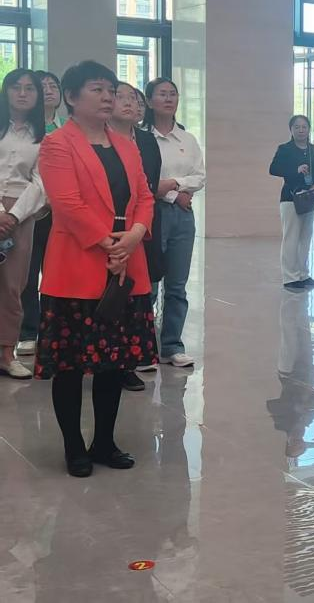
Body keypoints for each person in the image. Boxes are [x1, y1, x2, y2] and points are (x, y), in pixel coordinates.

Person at [35, 61, 158, 477]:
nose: (108, 97)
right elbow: (67, 204)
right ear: (71, 97)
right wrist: (110, 243)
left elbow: (144, 196)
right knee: (70, 365)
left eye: (111, 90)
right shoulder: (57, 144)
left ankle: (104, 440)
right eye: (97, 89)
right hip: (78, 264)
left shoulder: (126, 144)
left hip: (126, 260)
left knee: (113, 361)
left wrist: (134, 236)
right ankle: (74, 446)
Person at [141, 77, 204, 369]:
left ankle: (172, 345)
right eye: (162, 94)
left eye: (173, 94)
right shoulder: (142, 138)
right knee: (149, 285)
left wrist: (174, 185)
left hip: (182, 217)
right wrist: (174, 195)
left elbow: (199, 176)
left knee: (177, 285)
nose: (168, 99)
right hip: (151, 213)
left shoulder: (187, 139)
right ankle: (144, 347)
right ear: (149, 100)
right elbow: (144, 181)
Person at [111, 82, 165, 391]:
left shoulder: (146, 140)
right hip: (107, 229)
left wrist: (138, 228)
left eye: (133, 97)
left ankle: (128, 363)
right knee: (108, 298)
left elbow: (149, 187)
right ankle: (105, 360)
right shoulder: (98, 140)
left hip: (140, 227)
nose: (129, 102)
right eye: (120, 96)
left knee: (135, 297)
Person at [0, 69, 47, 380]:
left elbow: (41, 183)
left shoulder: (43, 137)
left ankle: (6, 353)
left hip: (22, 214)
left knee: (12, 286)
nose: (22, 93)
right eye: (16, 87)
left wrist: (13, 216)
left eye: (30, 88)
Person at [16, 71, 63, 360]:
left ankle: (54, 329)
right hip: (32, 210)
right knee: (28, 273)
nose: (48, 90)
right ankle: (28, 331)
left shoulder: (68, 127)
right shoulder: (27, 130)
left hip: (62, 212)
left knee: (57, 273)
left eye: (53, 85)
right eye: (41, 86)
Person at [270, 114, 314, 291]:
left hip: (309, 197)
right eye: (297, 127)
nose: (301, 130)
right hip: (291, 198)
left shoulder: (313, 150)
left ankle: (303, 274)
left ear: (309, 129)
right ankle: (290, 277)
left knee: (305, 237)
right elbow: (274, 169)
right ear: (291, 130)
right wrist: (296, 169)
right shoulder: (285, 149)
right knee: (291, 237)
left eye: (304, 127)